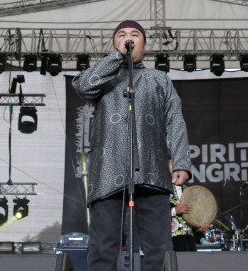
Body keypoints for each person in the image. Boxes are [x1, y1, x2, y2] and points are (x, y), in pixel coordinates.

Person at [72, 20, 192, 271]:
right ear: (114, 43)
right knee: (102, 247)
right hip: (107, 171)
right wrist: (117, 57)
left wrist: (181, 161)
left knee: (159, 248)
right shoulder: (103, 79)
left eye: (135, 34)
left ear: (144, 45)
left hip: (152, 169)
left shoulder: (159, 79)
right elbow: (82, 86)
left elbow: (175, 120)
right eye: (122, 35)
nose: (128, 38)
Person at [169, 160, 212, 251]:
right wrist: (174, 210)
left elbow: (194, 218)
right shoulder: (163, 190)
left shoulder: (191, 192)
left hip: (190, 242)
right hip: (170, 242)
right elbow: (155, 214)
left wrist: (199, 227)